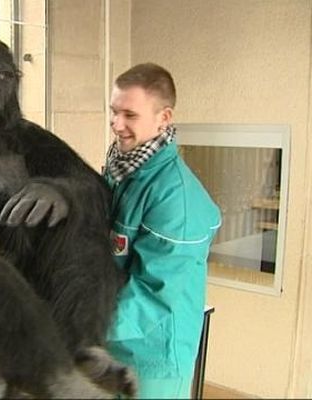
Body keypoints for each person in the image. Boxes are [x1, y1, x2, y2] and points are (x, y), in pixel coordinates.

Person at [103, 63, 221, 399]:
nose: (116, 124)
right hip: (115, 341)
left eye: (129, 115)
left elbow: (154, 296)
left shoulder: (177, 199)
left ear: (164, 118)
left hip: (152, 358)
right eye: (113, 112)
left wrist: (82, 323)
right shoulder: (122, 170)